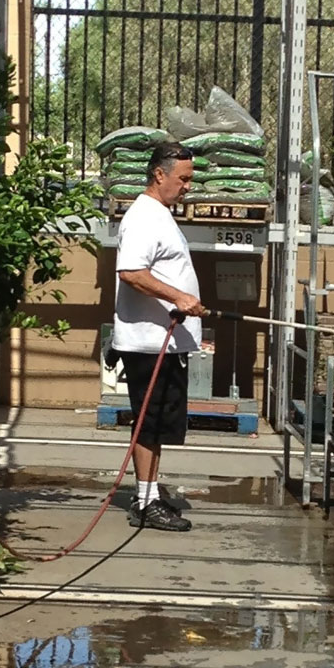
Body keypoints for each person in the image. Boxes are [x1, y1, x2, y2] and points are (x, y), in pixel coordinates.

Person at [113, 141, 204, 532]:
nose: (187, 187)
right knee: (148, 423)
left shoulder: (160, 215)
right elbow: (131, 272)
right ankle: (146, 501)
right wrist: (178, 296)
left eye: (190, 180)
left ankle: (150, 491)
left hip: (164, 342)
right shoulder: (144, 217)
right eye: (183, 179)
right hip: (149, 342)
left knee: (161, 422)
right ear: (159, 175)